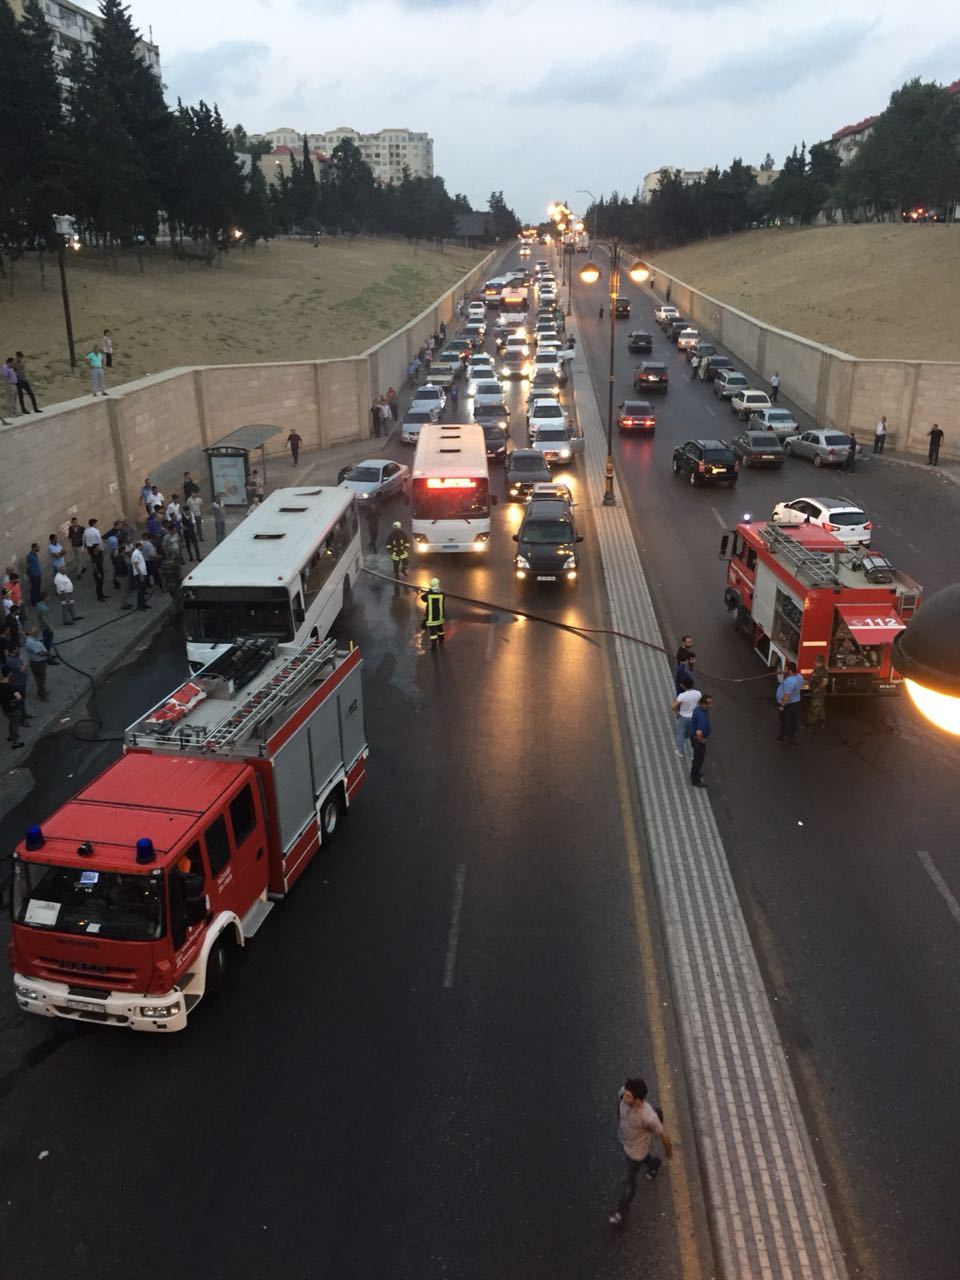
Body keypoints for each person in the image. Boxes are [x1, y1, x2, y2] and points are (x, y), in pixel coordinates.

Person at [607, 1077, 673, 1228]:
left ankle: (622, 1212)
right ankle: (654, 1164)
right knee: (646, 1160)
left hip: (636, 1152)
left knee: (629, 1181)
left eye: (628, 1096)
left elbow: (664, 1135)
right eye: (625, 1094)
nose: (624, 1097)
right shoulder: (624, 1094)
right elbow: (618, 1101)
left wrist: (669, 1152)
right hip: (628, 1142)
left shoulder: (648, 1117)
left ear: (638, 1101)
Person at [672, 676, 701, 758]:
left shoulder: (682, 695)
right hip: (693, 717)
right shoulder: (698, 693)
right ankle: (692, 755)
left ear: (683, 686)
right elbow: (699, 703)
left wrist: (677, 714)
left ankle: (680, 751)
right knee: (693, 736)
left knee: (680, 733)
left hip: (683, 716)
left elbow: (673, 706)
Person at [776, 661, 803, 744]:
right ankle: (792, 736)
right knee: (793, 720)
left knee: (785, 720)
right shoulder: (800, 677)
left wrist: (782, 705)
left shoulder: (790, 681)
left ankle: (782, 737)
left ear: (790, 670)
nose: (784, 670)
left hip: (788, 704)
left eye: (785, 668)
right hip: (796, 701)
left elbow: (787, 695)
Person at [0, 666, 25, 749]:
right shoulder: (11, 686)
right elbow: (19, 697)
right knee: (15, 725)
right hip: (13, 709)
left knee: (11, 722)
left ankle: (10, 736)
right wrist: (14, 700)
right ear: (10, 674)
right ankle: (15, 743)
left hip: (5, 708)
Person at [689, 694, 712, 788]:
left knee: (696, 758)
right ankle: (696, 780)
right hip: (698, 741)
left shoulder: (698, 709)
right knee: (699, 759)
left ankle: (693, 773)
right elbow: (699, 733)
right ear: (703, 704)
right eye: (709, 703)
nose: (711, 705)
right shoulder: (702, 716)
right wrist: (702, 740)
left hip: (693, 736)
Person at [25, 628, 50, 701]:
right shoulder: (31, 642)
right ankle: (42, 695)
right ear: (34, 633)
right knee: (41, 679)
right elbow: (40, 653)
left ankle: (42, 691)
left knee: (41, 678)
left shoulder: (31, 639)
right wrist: (48, 654)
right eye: (37, 633)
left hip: (38, 662)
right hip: (38, 663)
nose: (38, 634)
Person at [805, 656, 828, 733]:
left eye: (818, 662)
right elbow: (812, 679)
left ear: (821, 663)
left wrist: (817, 689)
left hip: (818, 693)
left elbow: (824, 682)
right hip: (814, 691)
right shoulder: (816, 669)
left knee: (814, 709)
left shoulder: (823, 671)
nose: (816, 663)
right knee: (819, 707)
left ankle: (811, 724)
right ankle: (822, 721)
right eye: (816, 661)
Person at [421, 576, 445, 646]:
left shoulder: (428, 595)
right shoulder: (442, 594)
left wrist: (429, 591)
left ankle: (434, 643)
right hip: (440, 617)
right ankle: (441, 639)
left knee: (433, 631)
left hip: (431, 618)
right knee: (440, 629)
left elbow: (422, 598)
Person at [130, 542, 149, 610]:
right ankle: (140, 606)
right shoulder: (135, 553)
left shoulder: (139, 552)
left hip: (143, 573)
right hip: (139, 574)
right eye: (142, 546)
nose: (143, 547)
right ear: (139, 546)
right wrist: (141, 575)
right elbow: (136, 565)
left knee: (143, 590)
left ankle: (143, 604)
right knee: (140, 591)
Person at [1, 356, 20, 421]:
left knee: (14, 399)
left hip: (14, 384)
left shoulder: (10, 368)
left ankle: (15, 412)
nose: (14, 364)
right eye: (13, 363)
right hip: (10, 385)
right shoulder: (5, 368)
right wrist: (8, 386)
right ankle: (11, 414)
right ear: (10, 362)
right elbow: (5, 377)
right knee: (10, 400)